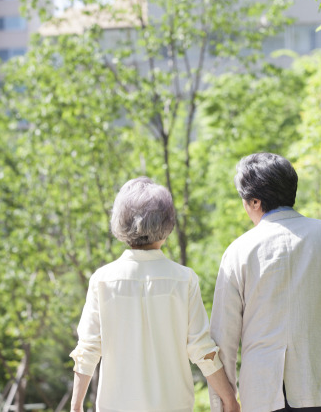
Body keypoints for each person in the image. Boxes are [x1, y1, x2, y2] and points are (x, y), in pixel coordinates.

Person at [209, 153, 321, 412]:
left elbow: (223, 336)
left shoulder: (239, 250)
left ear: (255, 201)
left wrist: (224, 401)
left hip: (263, 393)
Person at [69, 177, 239, 412]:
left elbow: (87, 350)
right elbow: (202, 349)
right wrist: (229, 398)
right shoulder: (184, 279)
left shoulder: (102, 280)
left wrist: (76, 405)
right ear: (167, 224)